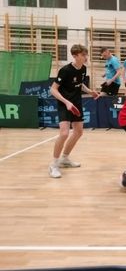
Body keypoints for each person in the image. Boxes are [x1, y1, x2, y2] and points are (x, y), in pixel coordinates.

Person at [48, 44, 100, 178]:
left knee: (78, 132)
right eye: (83, 55)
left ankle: (65, 159)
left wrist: (90, 91)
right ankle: (54, 165)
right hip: (64, 104)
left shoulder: (83, 68)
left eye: (86, 54)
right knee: (64, 133)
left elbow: (80, 84)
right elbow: (53, 89)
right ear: (75, 56)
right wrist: (66, 102)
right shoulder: (65, 70)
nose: (86, 57)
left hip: (76, 103)